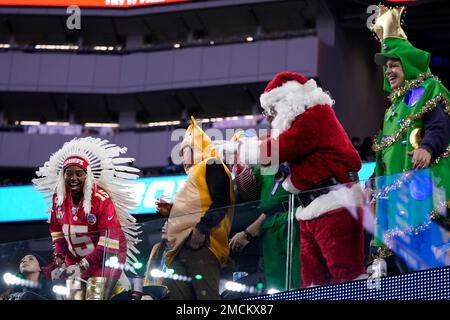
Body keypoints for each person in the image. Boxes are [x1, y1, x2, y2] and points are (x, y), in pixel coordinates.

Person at [217, 71, 365, 287]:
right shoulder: (300, 122)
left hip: (335, 206)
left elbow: (277, 149)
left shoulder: (316, 115)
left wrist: (237, 150)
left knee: (346, 279)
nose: (269, 117)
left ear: (290, 101)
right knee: (311, 285)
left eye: (272, 110)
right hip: (311, 209)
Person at [369, 5, 450, 269]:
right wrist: (371, 183)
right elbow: (383, 155)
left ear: (409, 64)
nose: (388, 71)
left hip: (423, 194)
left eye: (394, 64)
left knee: (431, 263)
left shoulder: (428, 88)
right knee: (406, 267)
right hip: (397, 204)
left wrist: (427, 148)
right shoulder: (392, 109)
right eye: (386, 66)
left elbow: (439, 126)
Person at [32, 137, 141, 299]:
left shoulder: (101, 199)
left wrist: (83, 265)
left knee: (94, 297)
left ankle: (127, 286)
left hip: (106, 259)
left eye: (78, 173)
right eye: (68, 173)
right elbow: (58, 234)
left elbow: (108, 244)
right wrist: (59, 258)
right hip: (75, 260)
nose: (73, 178)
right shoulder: (58, 199)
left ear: (87, 175)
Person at [156, 117, 234, 300]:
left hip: (201, 245)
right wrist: (172, 211)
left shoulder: (211, 164)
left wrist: (201, 228)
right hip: (178, 250)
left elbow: (221, 200)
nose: (182, 157)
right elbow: (200, 203)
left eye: (186, 151)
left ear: (199, 147)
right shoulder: (194, 176)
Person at [230, 128, 301, 291]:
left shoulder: (286, 152)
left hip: (292, 219)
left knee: (299, 280)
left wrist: (248, 232)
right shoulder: (254, 167)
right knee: (277, 285)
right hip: (268, 227)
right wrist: (240, 166)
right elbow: (249, 192)